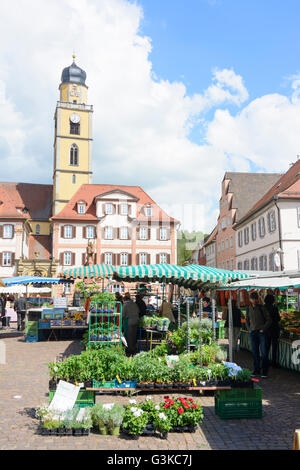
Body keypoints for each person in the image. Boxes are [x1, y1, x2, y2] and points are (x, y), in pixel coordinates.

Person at [246, 292, 272, 378]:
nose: (254, 300)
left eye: (255, 298)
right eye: (252, 299)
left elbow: (269, 320)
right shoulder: (248, 308)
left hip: (261, 333)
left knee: (264, 353)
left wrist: (263, 329)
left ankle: (264, 371)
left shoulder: (262, 308)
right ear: (250, 299)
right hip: (253, 332)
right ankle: (256, 369)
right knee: (254, 352)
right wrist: (249, 329)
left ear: (257, 299)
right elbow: (247, 319)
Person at [264, 294, 281, 368]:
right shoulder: (274, 308)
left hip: (266, 329)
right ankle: (274, 362)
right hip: (274, 329)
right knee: (274, 347)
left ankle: (265, 361)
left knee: (266, 347)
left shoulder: (263, 308)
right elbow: (278, 318)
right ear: (273, 300)